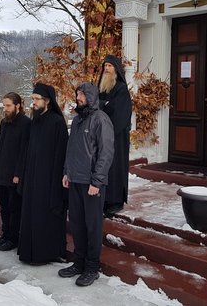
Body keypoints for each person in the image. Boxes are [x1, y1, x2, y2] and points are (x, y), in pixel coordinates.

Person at [59, 83, 114, 287]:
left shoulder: (101, 119)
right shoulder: (77, 120)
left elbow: (106, 153)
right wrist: (67, 172)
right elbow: (71, 149)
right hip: (75, 180)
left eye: (82, 94)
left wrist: (97, 181)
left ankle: (92, 267)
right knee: (76, 224)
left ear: (91, 96)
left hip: (92, 184)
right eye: (77, 94)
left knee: (92, 226)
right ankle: (79, 262)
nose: (78, 97)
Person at [17, 82, 69, 264]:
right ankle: (29, 252)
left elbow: (61, 154)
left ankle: (46, 253)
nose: (34, 103)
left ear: (47, 101)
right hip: (32, 178)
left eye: (37, 99)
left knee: (45, 217)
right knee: (31, 215)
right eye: (33, 99)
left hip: (49, 180)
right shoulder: (35, 121)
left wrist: (55, 181)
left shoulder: (57, 122)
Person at [0, 92, 31, 251]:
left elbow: (24, 151)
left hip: (15, 174)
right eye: (4, 105)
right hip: (2, 171)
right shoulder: (4, 122)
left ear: (18, 105)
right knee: (4, 205)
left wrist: (18, 174)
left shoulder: (26, 124)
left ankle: (14, 237)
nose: (5, 109)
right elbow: (0, 147)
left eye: (8, 105)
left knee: (15, 207)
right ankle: (5, 234)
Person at [97, 55, 132, 216]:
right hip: (101, 135)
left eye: (110, 66)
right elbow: (97, 106)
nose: (107, 68)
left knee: (115, 168)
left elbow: (120, 114)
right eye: (105, 66)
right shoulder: (101, 87)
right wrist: (105, 106)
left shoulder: (121, 89)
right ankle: (104, 199)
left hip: (116, 137)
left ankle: (115, 201)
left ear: (116, 69)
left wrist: (104, 107)